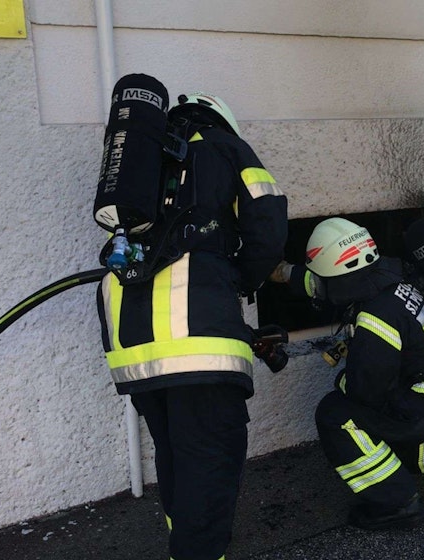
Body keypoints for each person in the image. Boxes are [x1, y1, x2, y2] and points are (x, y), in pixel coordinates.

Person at [97, 92, 288, 560]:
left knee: (175, 453)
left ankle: (184, 546)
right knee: (211, 457)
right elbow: (268, 221)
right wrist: (236, 279)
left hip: (131, 340)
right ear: (222, 119)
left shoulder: (142, 161)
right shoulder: (224, 145)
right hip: (194, 331)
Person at [270, 217, 424, 530]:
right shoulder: (392, 273)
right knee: (380, 440)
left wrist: (342, 382)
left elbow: (366, 392)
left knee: (336, 414)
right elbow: (325, 281)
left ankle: (397, 504)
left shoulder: (375, 317)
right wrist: (284, 273)